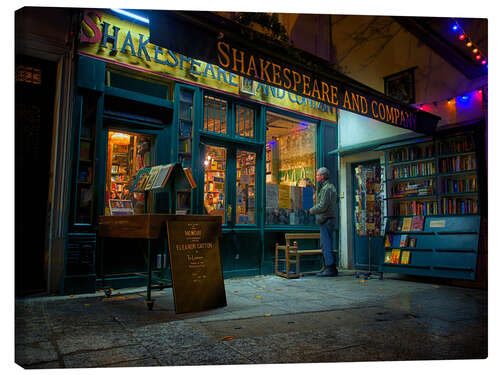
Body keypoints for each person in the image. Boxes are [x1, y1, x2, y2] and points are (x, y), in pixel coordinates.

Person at [309, 167, 338, 277]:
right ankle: (330, 267)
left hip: (326, 219)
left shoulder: (327, 188)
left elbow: (323, 205)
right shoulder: (329, 187)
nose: (316, 177)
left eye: (317, 175)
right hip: (328, 219)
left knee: (326, 244)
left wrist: (312, 210)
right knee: (327, 243)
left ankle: (330, 268)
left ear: (322, 176)